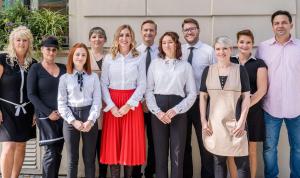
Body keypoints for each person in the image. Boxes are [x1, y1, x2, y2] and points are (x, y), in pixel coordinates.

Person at [146, 31, 197, 178]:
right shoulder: (155, 64)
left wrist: (176, 110)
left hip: (179, 110)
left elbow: (192, 93)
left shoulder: (185, 66)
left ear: (176, 44)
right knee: (160, 152)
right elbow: (148, 91)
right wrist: (157, 112)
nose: (167, 45)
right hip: (158, 110)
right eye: (164, 42)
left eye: (170, 42)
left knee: (178, 152)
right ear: (161, 46)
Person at [256, 10, 300, 178]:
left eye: (284, 22)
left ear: (291, 24)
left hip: (297, 108)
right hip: (270, 107)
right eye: (277, 23)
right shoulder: (263, 47)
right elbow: (257, 75)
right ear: (272, 26)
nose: (280, 26)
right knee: (269, 149)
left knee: (298, 149)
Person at [200, 36, 251, 178]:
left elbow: (246, 97)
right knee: (218, 162)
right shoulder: (207, 71)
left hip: (236, 123)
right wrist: (204, 122)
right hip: (215, 124)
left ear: (230, 50)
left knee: (242, 163)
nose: (221, 52)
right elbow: (203, 97)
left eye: (224, 48)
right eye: (217, 49)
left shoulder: (240, 70)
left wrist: (241, 122)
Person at [100, 24, 146, 178]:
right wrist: (111, 106)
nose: (124, 38)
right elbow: (103, 84)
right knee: (113, 145)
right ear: (116, 38)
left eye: (127, 35)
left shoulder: (139, 57)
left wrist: (129, 105)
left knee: (130, 146)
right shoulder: (109, 58)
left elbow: (142, 84)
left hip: (131, 105)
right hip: (112, 104)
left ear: (132, 38)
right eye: (121, 35)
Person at [227, 29, 268, 178]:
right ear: (237, 44)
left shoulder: (259, 63)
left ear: (253, 44)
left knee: (251, 150)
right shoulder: (229, 61)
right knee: (232, 149)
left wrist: (245, 106)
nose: (245, 45)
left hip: (253, 112)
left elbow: (262, 90)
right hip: (232, 112)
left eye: (248, 42)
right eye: (242, 42)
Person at [57, 43, 101, 178]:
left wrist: (91, 120)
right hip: (71, 116)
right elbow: (61, 103)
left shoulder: (93, 77)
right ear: (72, 56)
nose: (80, 57)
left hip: (89, 116)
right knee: (72, 159)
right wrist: (73, 121)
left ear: (87, 58)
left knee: (89, 158)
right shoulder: (65, 78)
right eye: (77, 54)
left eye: (83, 55)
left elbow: (97, 101)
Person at [0, 26, 36, 178]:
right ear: (12, 42)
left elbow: (35, 90)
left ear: (29, 43)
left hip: (26, 110)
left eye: (25, 40)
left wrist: (35, 112)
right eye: (18, 40)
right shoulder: (3, 59)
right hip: (6, 109)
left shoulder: (33, 63)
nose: (21, 43)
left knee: (21, 145)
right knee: (8, 145)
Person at [27, 36, 66, 178]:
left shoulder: (63, 68)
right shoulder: (35, 68)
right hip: (45, 116)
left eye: (54, 50)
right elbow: (31, 94)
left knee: (58, 151)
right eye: (48, 49)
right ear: (42, 50)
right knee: (51, 151)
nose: (51, 52)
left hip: (62, 116)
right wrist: (49, 112)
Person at [181, 18, 215, 178]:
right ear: (183, 33)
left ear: (198, 30)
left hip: (202, 102)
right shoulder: (179, 51)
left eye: (192, 29)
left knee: (205, 143)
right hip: (181, 103)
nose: (189, 32)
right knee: (183, 143)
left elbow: (216, 76)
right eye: (186, 30)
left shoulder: (209, 51)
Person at [133, 19, 158, 178]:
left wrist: (151, 102)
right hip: (137, 104)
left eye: (151, 30)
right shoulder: (134, 52)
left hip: (156, 105)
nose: (148, 33)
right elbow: (132, 80)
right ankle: (136, 173)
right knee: (136, 140)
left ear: (155, 32)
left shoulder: (161, 51)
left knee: (155, 142)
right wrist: (141, 101)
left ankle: (150, 172)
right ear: (141, 32)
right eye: (145, 30)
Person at [88, 26, 108, 178]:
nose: (97, 39)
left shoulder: (111, 56)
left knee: (105, 145)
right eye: (94, 37)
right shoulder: (84, 56)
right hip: (90, 107)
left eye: (100, 37)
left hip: (108, 107)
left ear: (105, 40)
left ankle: (103, 174)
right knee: (91, 145)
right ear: (90, 40)